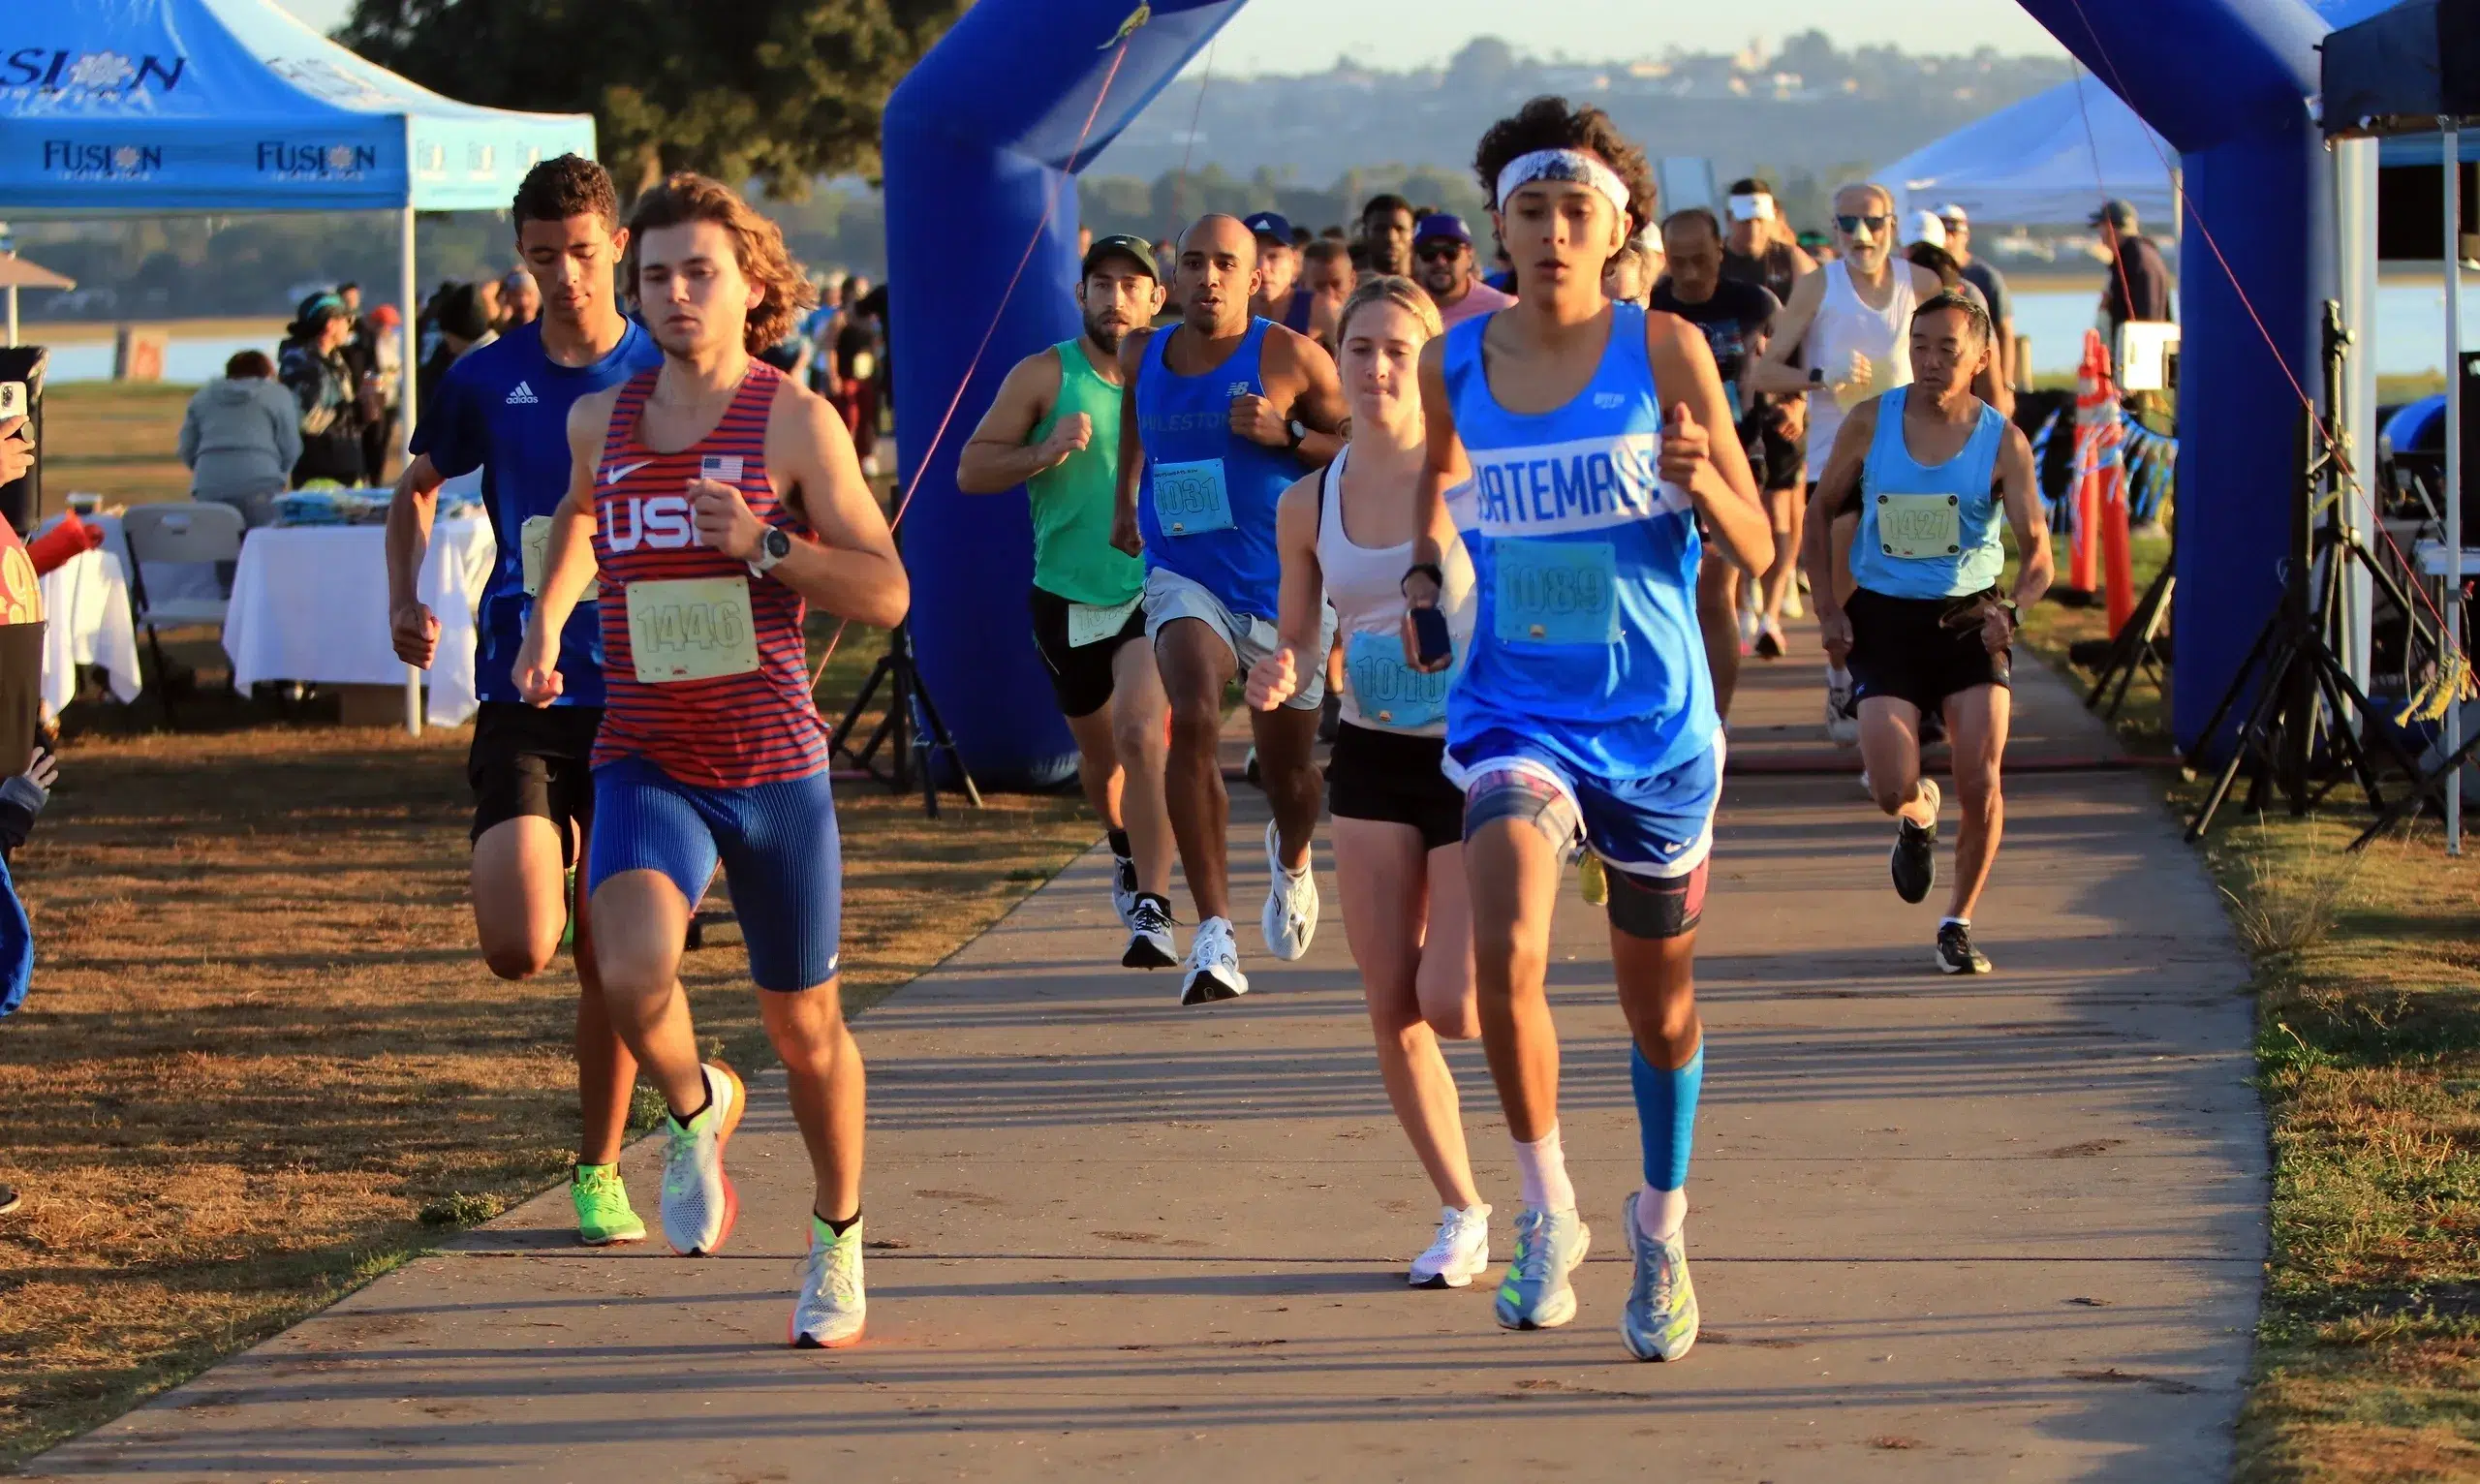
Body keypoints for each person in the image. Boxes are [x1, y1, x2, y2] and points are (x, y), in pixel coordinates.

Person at [515, 170, 907, 1349]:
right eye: (658, 277)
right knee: (627, 970)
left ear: (749, 288)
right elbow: (586, 517)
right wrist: (546, 619)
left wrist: (767, 543)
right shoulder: (604, 418)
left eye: (701, 274)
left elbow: (886, 588)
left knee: (806, 1028)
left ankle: (836, 1235)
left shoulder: (792, 419)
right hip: (646, 752)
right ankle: (695, 1106)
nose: (677, 295)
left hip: (774, 766)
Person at [1406, 97, 1771, 1361]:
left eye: (1578, 212)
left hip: (1659, 726)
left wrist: (1704, 478)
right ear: (1499, 223)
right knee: (1505, 943)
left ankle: (1660, 1225)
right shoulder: (1451, 361)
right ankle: (1547, 1206)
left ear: (1619, 227)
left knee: (1656, 1011)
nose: (1553, 233)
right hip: (1517, 709)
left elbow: (1763, 542)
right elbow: (1437, 513)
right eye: (1530, 210)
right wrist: (1425, 577)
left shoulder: (1666, 350)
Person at [386, 155, 666, 1248]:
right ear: (523, 257)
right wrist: (405, 594)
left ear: (617, 247)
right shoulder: (483, 376)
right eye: (542, 257)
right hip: (525, 683)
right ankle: (687, 1090)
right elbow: (411, 492)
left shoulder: (664, 365)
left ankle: (597, 1166)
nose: (564, 275)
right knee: (520, 942)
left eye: (582, 254)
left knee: (613, 945)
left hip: (644, 687)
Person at [1245, 276, 1492, 1285]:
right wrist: (1281, 667)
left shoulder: (1473, 472)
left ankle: (1502, 951)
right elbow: (1302, 634)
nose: (1379, 366)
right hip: (1376, 754)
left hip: (1481, 756)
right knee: (1389, 997)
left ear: (1427, 362)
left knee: (1455, 1003)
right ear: (1336, 363)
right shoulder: (1307, 500)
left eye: (1399, 348)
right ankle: (1461, 1207)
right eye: (1361, 349)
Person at [1109, 213, 1348, 1005]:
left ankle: (1293, 855)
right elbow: (1136, 418)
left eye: (1226, 264)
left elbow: (1358, 442)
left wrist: (1290, 435)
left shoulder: (1288, 354)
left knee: (1290, 777)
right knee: (1195, 713)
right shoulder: (1145, 351)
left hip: (1284, 586)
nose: (1208, 277)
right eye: (1193, 262)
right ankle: (1214, 933)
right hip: (1185, 574)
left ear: (1256, 279)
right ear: (1174, 279)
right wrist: (1124, 503)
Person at [1802, 292, 2049, 974]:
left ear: (1981, 356)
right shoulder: (1868, 423)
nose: (1932, 361)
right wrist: (1827, 607)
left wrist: (2015, 612)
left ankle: (1957, 922)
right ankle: (1915, 814)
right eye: (1921, 346)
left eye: (1948, 348)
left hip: (1971, 619)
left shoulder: (2004, 441)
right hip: (1886, 617)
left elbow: (2039, 556)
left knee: (1983, 778)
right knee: (1887, 782)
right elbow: (1818, 515)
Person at [956, 234, 1179, 969]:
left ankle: (1154, 908)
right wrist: (1043, 452)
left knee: (1146, 737)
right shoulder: (1046, 375)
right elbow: (970, 472)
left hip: (1156, 590)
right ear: (1081, 295)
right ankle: (1120, 844)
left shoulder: (1178, 372)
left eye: (1132, 285)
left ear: (1156, 299)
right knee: (1102, 757)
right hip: (1067, 595)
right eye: (1101, 284)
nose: (1116, 298)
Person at [1751, 183, 1940, 745]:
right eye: (1848, 223)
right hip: (1836, 462)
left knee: (1917, 585)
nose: (1862, 235)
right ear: (1833, 229)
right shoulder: (1819, 287)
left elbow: (1960, 356)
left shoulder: (1922, 286)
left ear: (1893, 225)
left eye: (1874, 223)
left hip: (1912, 459)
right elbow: (1764, 374)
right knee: (1842, 592)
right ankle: (1841, 682)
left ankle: (1913, 701)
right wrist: (1822, 380)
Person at [1651, 207, 1780, 716]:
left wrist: (1789, 401)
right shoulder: (1653, 309)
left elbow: (1787, 361)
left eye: (1699, 260)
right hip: (1666, 465)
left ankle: (1716, 721)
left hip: (1737, 460)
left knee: (1714, 593)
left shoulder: (1752, 303)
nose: (1689, 273)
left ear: (1720, 252)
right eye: (1677, 262)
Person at [179, 351, 302, 529]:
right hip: (261, 482)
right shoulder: (277, 395)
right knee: (261, 544)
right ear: (268, 374)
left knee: (216, 547)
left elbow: (187, 447)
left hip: (209, 483)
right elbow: (290, 447)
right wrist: (280, 474)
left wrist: (204, 467)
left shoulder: (202, 397)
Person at [280, 293, 366, 487]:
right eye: (347, 319)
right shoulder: (302, 364)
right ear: (330, 324)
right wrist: (348, 411)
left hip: (345, 466)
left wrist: (362, 412)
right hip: (319, 473)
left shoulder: (335, 360)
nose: (350, 326)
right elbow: (304, 420)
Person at [1937, 204, 2015, 390]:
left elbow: (2004, 331)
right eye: (1943, 231)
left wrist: (2006, 384)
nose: (1948, 239)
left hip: (1980, 376)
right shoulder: (1928, 273)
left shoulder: (1986, 277)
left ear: (1966, 236)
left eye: (1954, 232)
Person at [2092, 199, 2172, 369]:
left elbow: (2140, 313)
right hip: (2153, 355)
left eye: (2101, 227)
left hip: (2135, 360)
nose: (2100, 235)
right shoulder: (2149, 253)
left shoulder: (2132, 258)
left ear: (2110, 227)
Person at [1720, 178, 1814, 309]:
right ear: (1728, 217)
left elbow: (1812, 311)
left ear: (1773, 217)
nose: (1753, 230)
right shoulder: (1713, 259)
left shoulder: (1794, 260)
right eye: (1745, 221)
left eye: (1760, 220)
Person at [1410, 213, 1514, 328]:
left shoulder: (1502, 310)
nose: (1440, 262)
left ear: (1470, 256)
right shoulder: (1403, 308)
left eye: (1451, 252)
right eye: (1429, 253)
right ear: (1414, 259)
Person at [829, 280, 883, 478]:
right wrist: (833, 374)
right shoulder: (840, 318)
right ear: (848, 293)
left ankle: (865, 456)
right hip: (847, 376)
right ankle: (844, 460)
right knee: (850, 418)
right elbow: (831, 348)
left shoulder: (870, 317)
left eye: (864, 291)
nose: (862, 294)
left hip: (868, 375)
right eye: (858, 291)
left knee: (868, 418)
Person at [1245, 211, 1316, 335]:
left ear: (1295, 262)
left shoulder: (1318, 311)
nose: (1262, 267)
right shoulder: (1223, 314)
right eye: (1253, 256)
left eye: (1274, 256)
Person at [357, 304, 405, 482]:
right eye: (383, 324)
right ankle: (369, 477)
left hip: (391, 399)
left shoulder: (396, 342)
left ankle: (376, 479)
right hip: (374, 399)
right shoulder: (367, 344)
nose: (387, 329)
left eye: (390, 325)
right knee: (372, 441)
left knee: (383, 441)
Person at [1298, 238, 1356, 351]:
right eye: (1319, 286)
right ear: (1303, 284)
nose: (1329, 294)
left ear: (1352, 281)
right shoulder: (1286, 331)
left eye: (1336, 284)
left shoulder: (1368, 325)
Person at [1359, 193, 1417, 278]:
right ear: (1365, 234)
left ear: (1413, 234)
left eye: (1400, 229)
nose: (1391, 238)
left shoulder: (1429, 288)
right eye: (1381, 229)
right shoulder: (1348, 289)